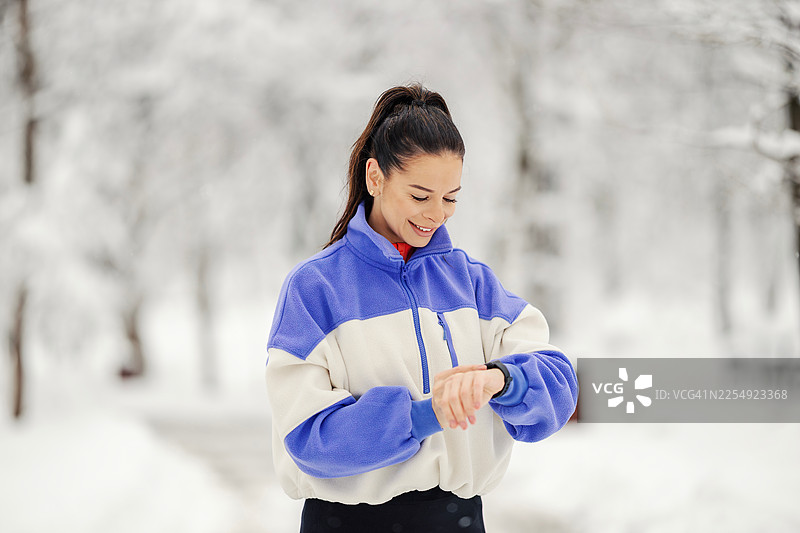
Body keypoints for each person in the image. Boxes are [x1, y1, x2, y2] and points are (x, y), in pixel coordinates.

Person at [265, 83, 578, 533]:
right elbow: (310, 437)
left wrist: (500, 379)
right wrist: (429, 413)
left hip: (457, 522)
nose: (436, 214)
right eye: (420, 196)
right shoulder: (316, 289)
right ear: (376, 177)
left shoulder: (471, 283)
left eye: (450, 198)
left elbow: (557, 385)